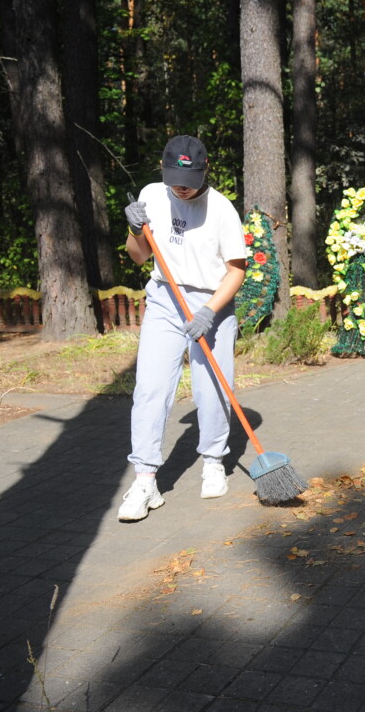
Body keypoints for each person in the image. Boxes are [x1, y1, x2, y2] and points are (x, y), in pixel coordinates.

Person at [118, 135, 248, 521]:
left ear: (205, 171)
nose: (181, 185)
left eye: (189, 177)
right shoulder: (152, 196)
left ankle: (212, 460)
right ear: (163, 170)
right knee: (151, 388)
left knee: (211, 387)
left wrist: (209, 311)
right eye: (175, 176)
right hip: (164, 298)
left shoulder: (222, 209)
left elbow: (237, 269)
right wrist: (136, 230)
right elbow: (139, 256)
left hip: (212, 303)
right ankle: (145, 479)